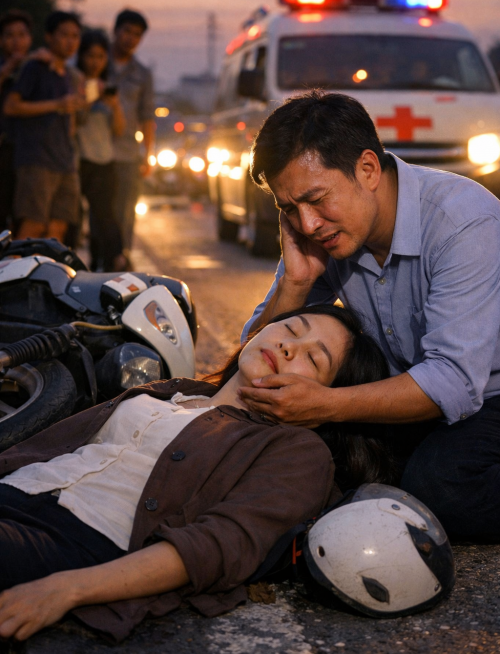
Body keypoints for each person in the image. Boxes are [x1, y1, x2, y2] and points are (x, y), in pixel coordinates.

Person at [0, 305, 393, 643]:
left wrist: (66, 589)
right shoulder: (172, 390)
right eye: (290, 328)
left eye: (313, 359)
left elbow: (219, 543)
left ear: (326, 400)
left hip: (75, 539)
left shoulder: (298, 451)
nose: (288, 347)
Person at [240, 90, 500, 542]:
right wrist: (296, 282)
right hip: (413, 390)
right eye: (289, 209)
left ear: (367, 169)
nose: (307, 224)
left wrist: (326, 406)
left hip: (488, 394)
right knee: (301, 462)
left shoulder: (462, 223)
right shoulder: (323, 231)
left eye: (316, 199)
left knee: (438, 487)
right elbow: (249, 355)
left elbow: (453, 383)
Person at [3, 11, 83, 243]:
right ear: (49, 37)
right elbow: (11, 106)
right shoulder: (35, 67)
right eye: (64, 35)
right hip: (36, 158)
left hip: (64, 160)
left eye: (75, 36)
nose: (70, 42)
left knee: (58, 228)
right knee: (33, 226)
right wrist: (57, 104)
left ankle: (45, 269)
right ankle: (15, 267)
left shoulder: (68, 75)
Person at [76, 30, 127, 271]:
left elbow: (119, 130)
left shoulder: (108, 88)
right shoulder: (73, 83)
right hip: (78, 160)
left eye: (100, 56)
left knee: (104, 215)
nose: (95, 62)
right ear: (81, 56)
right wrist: (88, 98)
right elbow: (76, 120)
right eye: (90, 55)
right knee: (74, 215)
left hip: (104, 161)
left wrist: (114, 106)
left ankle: (112, 261)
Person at [109, 9, 154, 264]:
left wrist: (147, 155)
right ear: (115, 31)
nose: (130, 38)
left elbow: (147, 117)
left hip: (127, 153)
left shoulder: (142, 74)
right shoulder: (95, 61)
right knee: (97, 211)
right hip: (93, 150)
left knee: (125, 211)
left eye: (137, 35)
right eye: (126, 31)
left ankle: (121, 258)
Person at [0, 9, 33, 232]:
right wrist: (8, 68)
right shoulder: (4, 68)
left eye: (22, 35)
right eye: (10, 35)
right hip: (4, 148)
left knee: (24, 216)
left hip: (29, 152)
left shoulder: (37, 67)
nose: (16, 41)